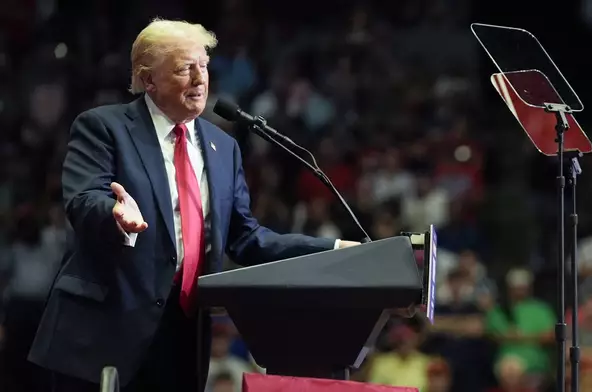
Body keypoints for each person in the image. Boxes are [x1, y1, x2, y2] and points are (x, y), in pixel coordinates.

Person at [27, 18, 360, 392]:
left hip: (182, 335)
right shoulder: (104, 127)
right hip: (105, 329)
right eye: (185, 68)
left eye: (203, 66)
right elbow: (84, 199)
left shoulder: (223, 147)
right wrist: (114, 213)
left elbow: (245, 238)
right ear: (148, 80)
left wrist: (332, 249)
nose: (200, 79)